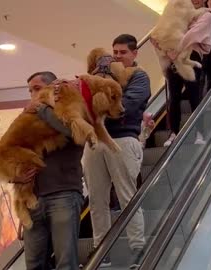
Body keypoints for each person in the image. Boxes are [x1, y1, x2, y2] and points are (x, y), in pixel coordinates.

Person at [82, 34, 151, 268]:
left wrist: (101, 102)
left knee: (127, 196)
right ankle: (101, 252)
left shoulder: (139, 76)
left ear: (134, 53)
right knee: (96, 199)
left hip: (123, 141)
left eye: (122, 52)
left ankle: (137, 249)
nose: (117, 56)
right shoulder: (100, 75)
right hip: (94, 141)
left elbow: (127, 107)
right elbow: (84, 105)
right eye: (115, 52)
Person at [13, 71, 84, 270]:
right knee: (34, 264)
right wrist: (16, 179)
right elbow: (15, 152)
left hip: (64, 194)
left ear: (52, 86)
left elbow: (73, 133)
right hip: (33, 200)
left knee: (65, 262)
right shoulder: (29, 118)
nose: (33, 94)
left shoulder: (71, 107)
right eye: (30, 91)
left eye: (36, 88)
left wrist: (42, 108)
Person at [159, 0, 211, 147]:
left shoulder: (207, 14)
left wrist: (176, 49)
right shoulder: (181, 11)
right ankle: (173, 132)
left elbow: (194, 34)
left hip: (191, 56)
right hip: (174, 57)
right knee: (174, 97)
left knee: (194, 96)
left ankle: (200, 132)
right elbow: (166, 30)